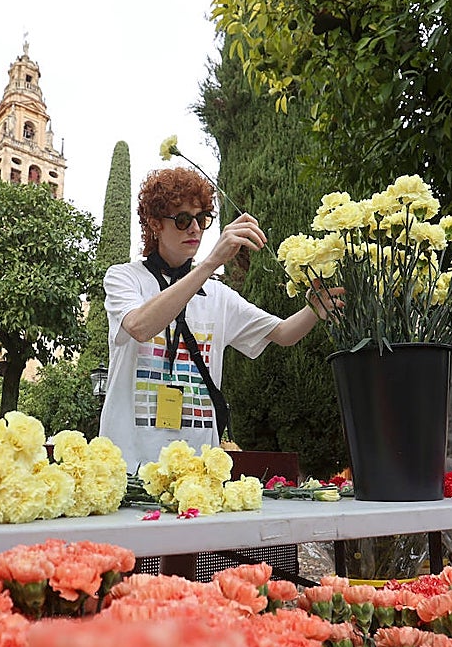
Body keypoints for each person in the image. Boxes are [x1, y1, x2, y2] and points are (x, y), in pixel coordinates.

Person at [99, 166, 337, 470]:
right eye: (183, 220)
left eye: (201, 219)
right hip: (128, 463)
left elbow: (283, 334)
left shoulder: (218, 294)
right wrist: (211, 263)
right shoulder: (123, 278)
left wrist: (314, 309)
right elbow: (139, 326)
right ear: (155, 224)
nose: (195, 229)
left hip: (198, 469)